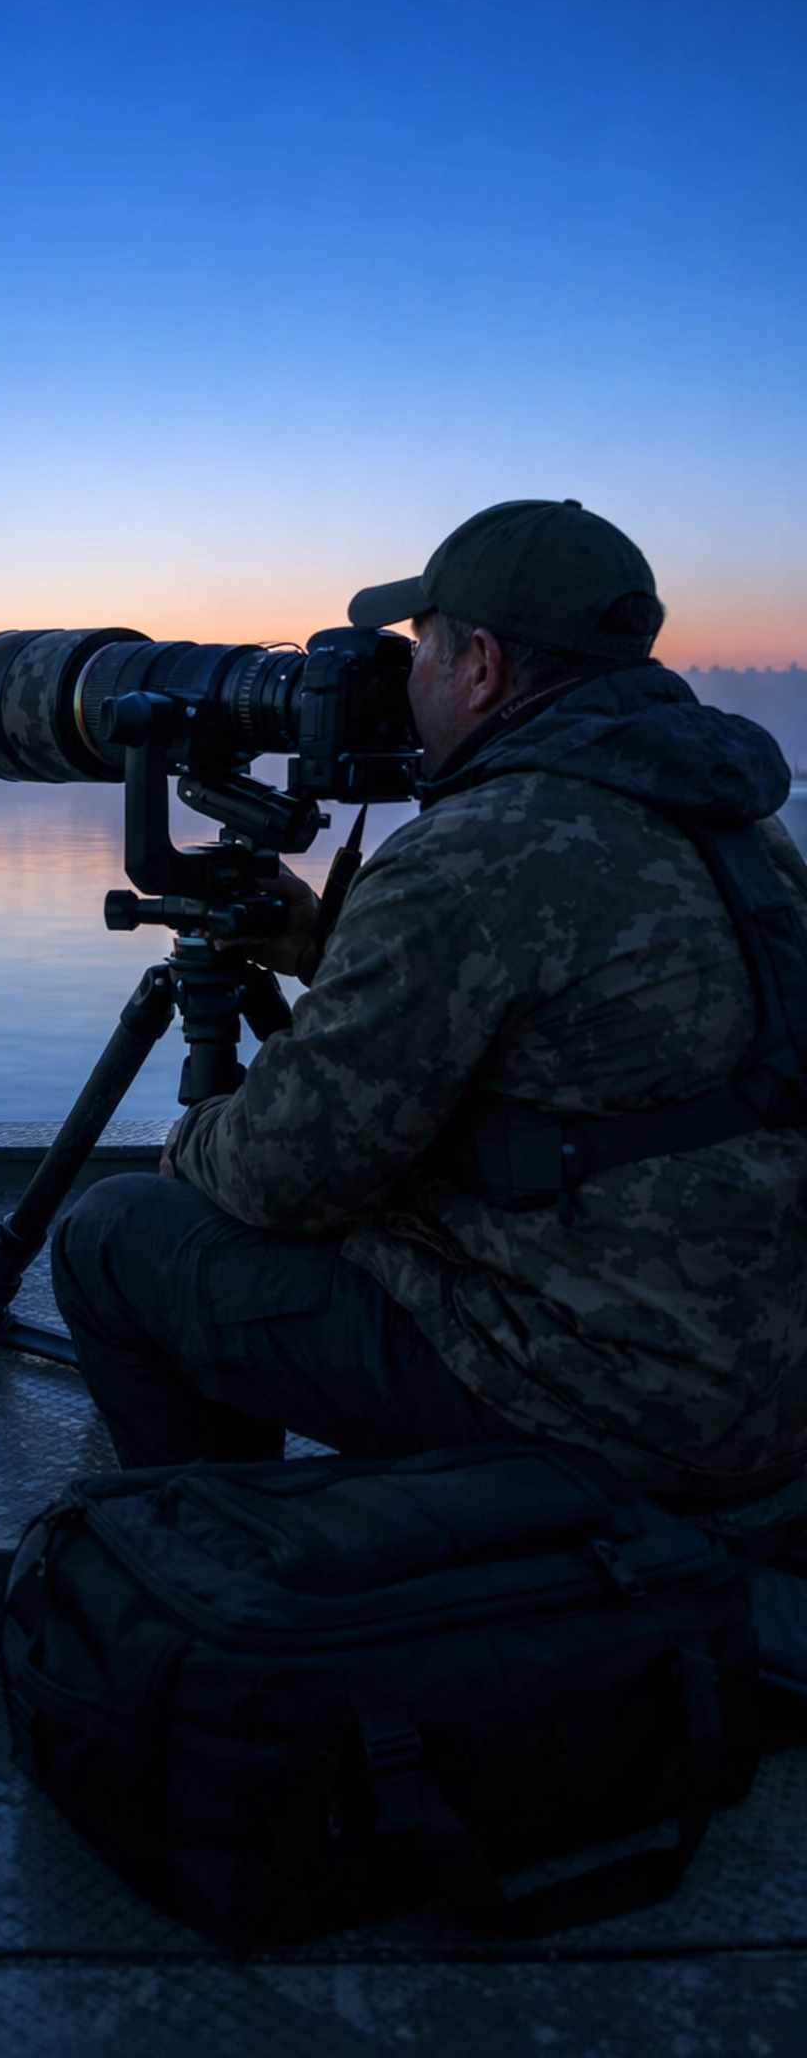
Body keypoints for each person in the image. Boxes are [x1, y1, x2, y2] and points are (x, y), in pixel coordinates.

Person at [50, 499, 807, 1503]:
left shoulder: (474, 852)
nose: (402, 682)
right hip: (759, 1377)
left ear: (481, 666)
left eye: (418, 649)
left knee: (115, 1234)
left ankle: (225, 1556)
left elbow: (283, 1174)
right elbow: (585, 1023)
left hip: (602, 1406)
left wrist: (195, 1139)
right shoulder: (739, 820)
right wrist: (325, 943)